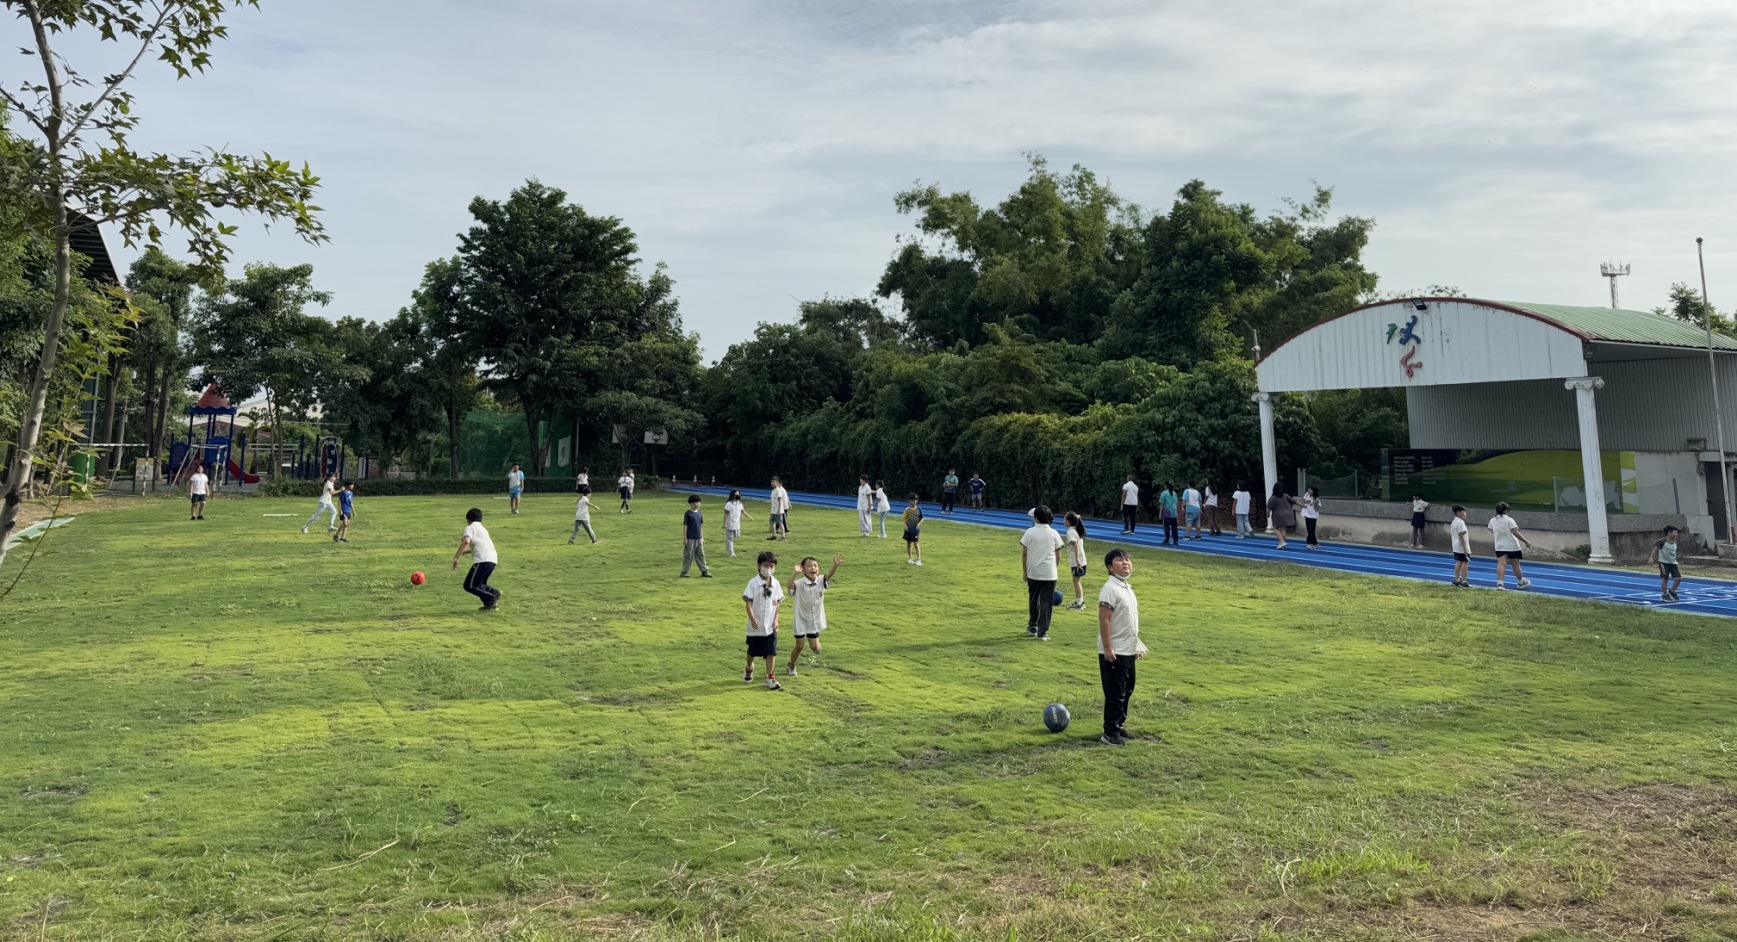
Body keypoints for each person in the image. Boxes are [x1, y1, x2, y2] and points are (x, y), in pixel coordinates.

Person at [1097, 547, 1146, 747]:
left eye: (1127, 560)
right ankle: (1109, 733)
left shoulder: (1126, 588)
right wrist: (1108, 648)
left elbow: (1129, 621)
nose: (1125, 563)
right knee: (1116, 692)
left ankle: (1118, 724)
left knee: (1127, 690)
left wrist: (1136, 645)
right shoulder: (1110, 589)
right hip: (1115, 651)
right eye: (1119, 561)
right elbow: (1104, 619)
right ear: (1110, 567)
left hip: (1127, 649)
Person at [786, 554, 842, 677]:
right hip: (800, 619)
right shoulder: (799, 583)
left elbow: (829, 576)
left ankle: (816, 644)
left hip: (814, 620)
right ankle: (791, 665)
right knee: (799, 646)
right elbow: (789, 586)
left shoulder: (821, 580)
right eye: (809, 566)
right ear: (803, 569)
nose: (813, 568)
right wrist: (795, 573)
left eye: (815, 566)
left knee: (815, 648)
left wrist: (835, 565)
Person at [1021, 505, 1065, 640]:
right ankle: (1043, 632)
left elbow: (1024, 553)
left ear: (1036, 517)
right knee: (1046, 602)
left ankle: (1032, 626)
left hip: (1033, 571)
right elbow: (1058, 555)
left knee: (1034, 600)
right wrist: (1054, 568)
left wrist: (1024, 571)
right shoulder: (1054, 533)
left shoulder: (1030, 532)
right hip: (1049, 572)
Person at [743, 551, 784, 689]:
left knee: (771, 651)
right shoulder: (753, 583)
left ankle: (770, 677)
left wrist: (776, 620)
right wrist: (752, 618)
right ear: (759, 566)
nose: (769, 568)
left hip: (771, 626)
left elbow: (777, 602)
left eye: (772, 566)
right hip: (756, 625)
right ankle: (749, 667)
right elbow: (748, 602)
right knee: (753, 650)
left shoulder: (776, 583)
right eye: (766, 565)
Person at [452, 507, 501, 610]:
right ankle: (490, 604)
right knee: (480, 584)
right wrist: (466, 552)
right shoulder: (483, 529)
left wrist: (456, 558)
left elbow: (466, 541)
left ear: (468, 519)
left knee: (470, 585)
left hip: (483, 560)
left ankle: (494, 594)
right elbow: (482, 544)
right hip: (492, 559)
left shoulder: (469, 528)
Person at [1488, 501, 1534, 590]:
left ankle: (1500, 584)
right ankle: (1521, 582)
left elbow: (1491, 530)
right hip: (1512, 545)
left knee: (1501, 564)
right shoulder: (1509, 520)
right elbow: (1515, 532)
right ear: (1506, 510)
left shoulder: (1493, 520)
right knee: (1515, 565)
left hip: (1499, 546)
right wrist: (1526, 541)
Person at [681, 494, 712, 578]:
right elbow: (685, 526)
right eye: (695, 502)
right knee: (688, 555)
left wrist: (702, 537)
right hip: (690, 538)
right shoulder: (688, 514)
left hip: (699, 538)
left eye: (698, 502)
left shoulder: (699, 513)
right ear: (691, 503)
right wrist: (685, 538)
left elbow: (700, 526)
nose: (697, 504)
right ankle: (684, 572)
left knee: (701, 555)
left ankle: (704, 571)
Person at [1650, 525, 1683, 602]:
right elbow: (1655, 550)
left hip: (1673, 563)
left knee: (1678, 578)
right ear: (1669, 533)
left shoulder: (1675, 543)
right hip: (1664, 563)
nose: (1676, 534)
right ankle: (1664, 594)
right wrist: (1651, 558)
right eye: (1675, 533)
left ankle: (1672, 591)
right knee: (1665, 579)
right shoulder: (1662, 541)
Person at [1064, 511, 1089, 610]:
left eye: (1065, 519)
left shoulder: (1070, 532)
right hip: (1081, 560)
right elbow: (1073, 544)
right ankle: (1080, 601)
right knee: (1077, 581)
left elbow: (1075, 545)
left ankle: (1079, 603)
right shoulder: (1076, 530)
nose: (1064, 521)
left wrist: (1077, 560)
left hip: (1077, 561)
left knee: (1076, 581)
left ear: (1068, 521)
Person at [722, 489, 751, 557]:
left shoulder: (740, 504)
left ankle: (728, 549)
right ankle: (731, 552)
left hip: (737, 524)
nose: (737, 496)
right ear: (733, 495)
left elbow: (742, 511)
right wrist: (725, 523)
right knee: (730, 538)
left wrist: (749, 517)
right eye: (736, 495)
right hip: (730, 524)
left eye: (738, 495)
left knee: (736, 536)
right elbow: (725, 514)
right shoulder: (729, 504)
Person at [1449, 505, 1472, 587]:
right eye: (1463, 512)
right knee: (1465, 562)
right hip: (1461, 546)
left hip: (1456, 546)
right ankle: (1464, 580)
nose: (1465, 514)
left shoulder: (1454, 521)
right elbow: (1461, 536)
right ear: (1458, 513)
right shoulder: (1460, 523)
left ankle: (1457, 579)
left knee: (1459, 562)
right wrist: (1465, 549)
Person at [1268, 482, 1296, 549]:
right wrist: (1303, 505)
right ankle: (1282, 542)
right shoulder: (1286, 495)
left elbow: (1269, 507)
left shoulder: (1273, 497)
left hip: (1278, 515)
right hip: (1287, 514)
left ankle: (1282, 541)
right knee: (1283, 529)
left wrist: (1267, 513)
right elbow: (1293, 501)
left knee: (1275, 528)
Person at [902, 494, 924, 565]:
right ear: (909, 501)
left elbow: (922, 518)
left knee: (916, 544)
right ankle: (910, 558)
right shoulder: (907, 510)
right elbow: (904, 519)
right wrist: (905, 525)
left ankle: (918, 559)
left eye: (914, 501)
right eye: (911, 501)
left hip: (915, 530)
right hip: (908, 530)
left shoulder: (919, 510)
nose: (913, 502)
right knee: (908, 544)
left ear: (916, 501)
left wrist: (919, 524)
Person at [768, 476, 791, 541]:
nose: (772, 483)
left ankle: (783, 537)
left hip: (778, 510)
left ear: (777, 482)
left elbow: (780, 500)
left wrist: (779, 510)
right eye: (771, 482)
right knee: (772, 522)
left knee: (780, 523)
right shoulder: (773, 490)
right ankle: (774, 535)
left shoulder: (778, 490)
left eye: (774, 482)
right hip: (773, 510)